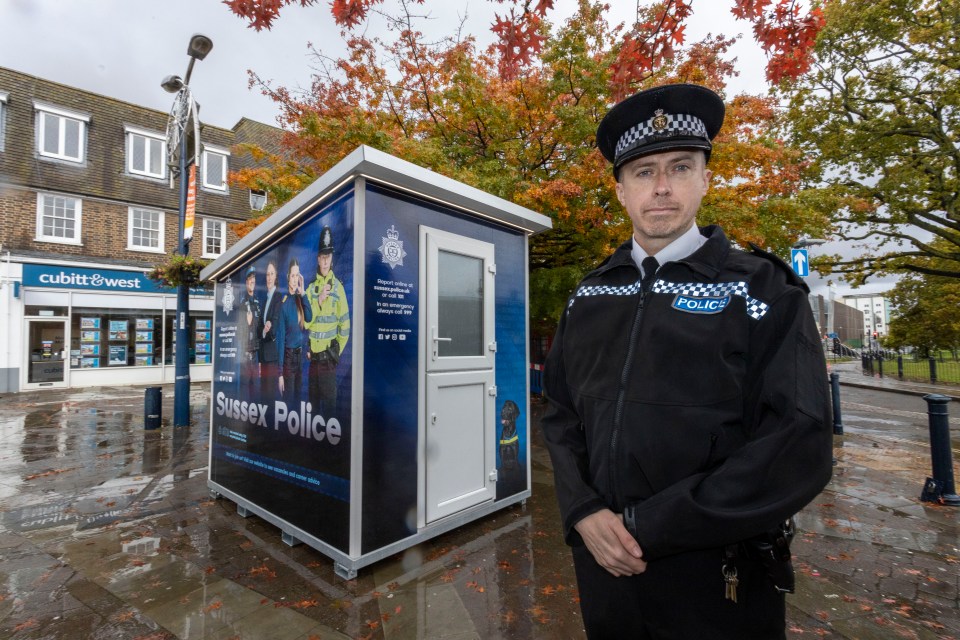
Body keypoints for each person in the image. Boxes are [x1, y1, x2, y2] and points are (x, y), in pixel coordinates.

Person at [540, 83, 833, 639]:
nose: (662, 188)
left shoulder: (765, 290)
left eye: (679, 166)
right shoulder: (589, 295)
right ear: (621, 190)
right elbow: (561, 413)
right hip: (605, 571)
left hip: (718, 576)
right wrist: (582, 511)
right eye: (644, 172)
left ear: (705, 177)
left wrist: (646, 526)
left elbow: (799, 439)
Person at [305, 226, 350, 417]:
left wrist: (335, 353)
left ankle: (329, 448)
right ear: (318, 259)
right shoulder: (310, 289)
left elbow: (345, 326)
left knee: (330, 412)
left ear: (332, 260)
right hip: (313, 361)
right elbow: (305, 323)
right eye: (322, 257)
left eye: (328, 257)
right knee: (314, 410)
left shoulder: (338, 288)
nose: (325, 261)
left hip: (328, 362)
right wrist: (319, 301)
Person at [276, 257, 312, 401]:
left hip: (299, 357)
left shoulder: (300, 299)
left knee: (298, 399)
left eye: (297, 275)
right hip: (288, 358)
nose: (295, 279)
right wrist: (280, 374)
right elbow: (280, 340)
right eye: (293, 275)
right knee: (289, 400)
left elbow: (309, 317)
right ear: (288, 277)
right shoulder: (284, 304)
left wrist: (303, 293)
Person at [237, 265, 262, 399]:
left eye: (254, 279)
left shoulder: (257, 303)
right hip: (246, 355)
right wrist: (247, 323)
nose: (252, 281)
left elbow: (259, 328)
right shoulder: (242, 304)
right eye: (249, 279)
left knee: (255, 388)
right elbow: (239, 333)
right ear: (246, 283)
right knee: (245, 388)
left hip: (256, 354)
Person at [259, 260, 283, 400]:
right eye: (267, 274)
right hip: (263, 356)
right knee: (263, 396)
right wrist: (263, 331)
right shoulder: (265, 300)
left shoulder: (278, 297)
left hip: (272, 356)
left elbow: (273, 330)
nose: (269, 277)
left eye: (271, 274)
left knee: (269, 398)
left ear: (276, 277)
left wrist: (265, 331)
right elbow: (259, 329)